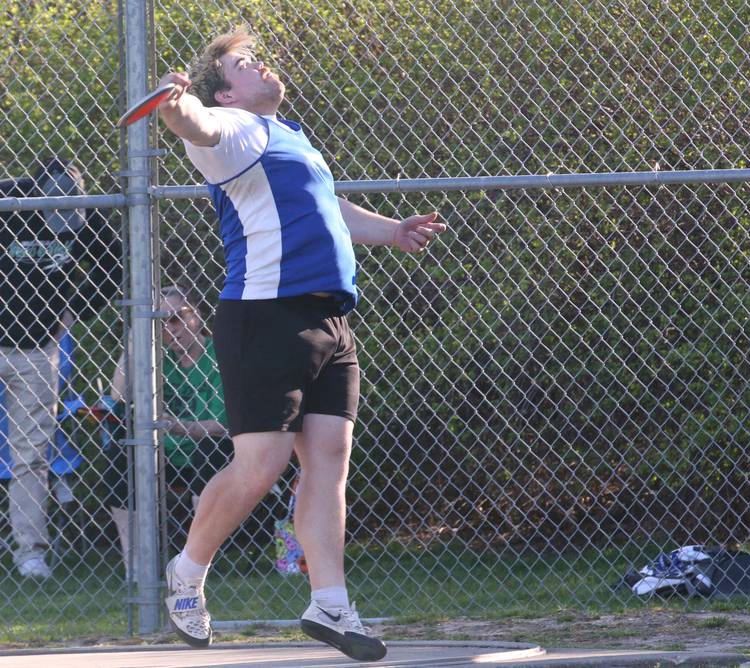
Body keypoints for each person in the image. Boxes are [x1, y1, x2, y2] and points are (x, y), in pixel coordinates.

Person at [155, 28, 446, 662]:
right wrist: (176, 106)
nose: (262, 66)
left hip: (331, 321)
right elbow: (196, 127)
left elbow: (331, 209)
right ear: (228, 88)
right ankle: (187, 571)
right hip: (265, 317)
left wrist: (393, 230)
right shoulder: (230, 128)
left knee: (328, 462)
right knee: (260, 465)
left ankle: (329, 604)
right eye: (245, 63)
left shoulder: (290, 139)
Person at [0, 157, 121, 579]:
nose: (63, 224)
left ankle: (29, 553)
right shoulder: (9, 196)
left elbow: (114, 267)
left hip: (38, 349)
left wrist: (76, 310)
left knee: (30, 457)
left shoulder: (89, 210)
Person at [107, 284, 230, 579]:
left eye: (177, 318)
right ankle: (137, 568)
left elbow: (224, 427)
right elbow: (118, 395)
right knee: (119, 459)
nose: (170, 329)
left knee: (209, 451)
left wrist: (179, 426)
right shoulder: (157, 359)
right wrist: (137, 337)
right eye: (161, 322)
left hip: (213, 453)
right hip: (165, 455)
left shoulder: (220, 355)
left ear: (196, 317)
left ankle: (193, 566)